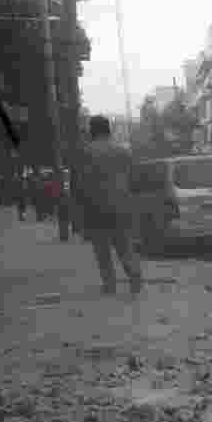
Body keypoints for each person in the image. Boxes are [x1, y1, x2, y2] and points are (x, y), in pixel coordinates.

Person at [77, 115, 143, 295]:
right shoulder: (123, 152)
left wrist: (81, 211)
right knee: (124, 245)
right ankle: (134, 274)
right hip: (121, 205)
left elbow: (82, 183)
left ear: (92, 130)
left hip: (96, 206)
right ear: (108, 129)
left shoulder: (86, 152)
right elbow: (134, 179)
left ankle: (109, 284)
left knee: (102, 248)